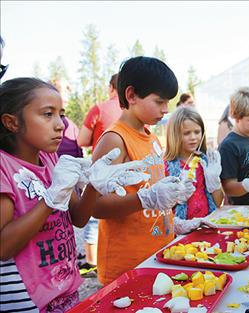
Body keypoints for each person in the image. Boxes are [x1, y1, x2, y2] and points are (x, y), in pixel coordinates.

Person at [0, 78, 146, 312]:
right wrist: (50, 199)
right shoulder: (4, 167)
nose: (60, 125)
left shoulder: (50, 160)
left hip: (66, 291)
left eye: (61, 114)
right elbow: (4, 246)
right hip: (27, 300)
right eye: (48, 114)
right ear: (12, 122)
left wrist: (94, 185)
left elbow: (77, 218)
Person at [90, 56, 208, 285]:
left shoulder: (151, 137)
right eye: (159, 101)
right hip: (127, 264)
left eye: (168, 103)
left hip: (156, 253)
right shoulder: (115, 140)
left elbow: (152, 197)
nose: (166, 110)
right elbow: (96, 205)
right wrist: (146, 199)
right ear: (131, 95)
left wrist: (173, 210)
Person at [77, 73, 121, 276]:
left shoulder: (100, 108)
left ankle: (90, 262)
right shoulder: (139, 113)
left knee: (94, 218)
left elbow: (82, 140)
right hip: (128, 173)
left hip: (103, 167)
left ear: (112, 88)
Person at [164, 107, 224, 219]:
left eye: (197, 132)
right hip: (179, 231)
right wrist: (177, 198)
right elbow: (161, 208)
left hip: (206, 225)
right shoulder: (166, 166)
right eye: (186, 133)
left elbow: (218, 202)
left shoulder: (206, 163)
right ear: (174, 135)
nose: (193, 138)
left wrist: (215, 182)